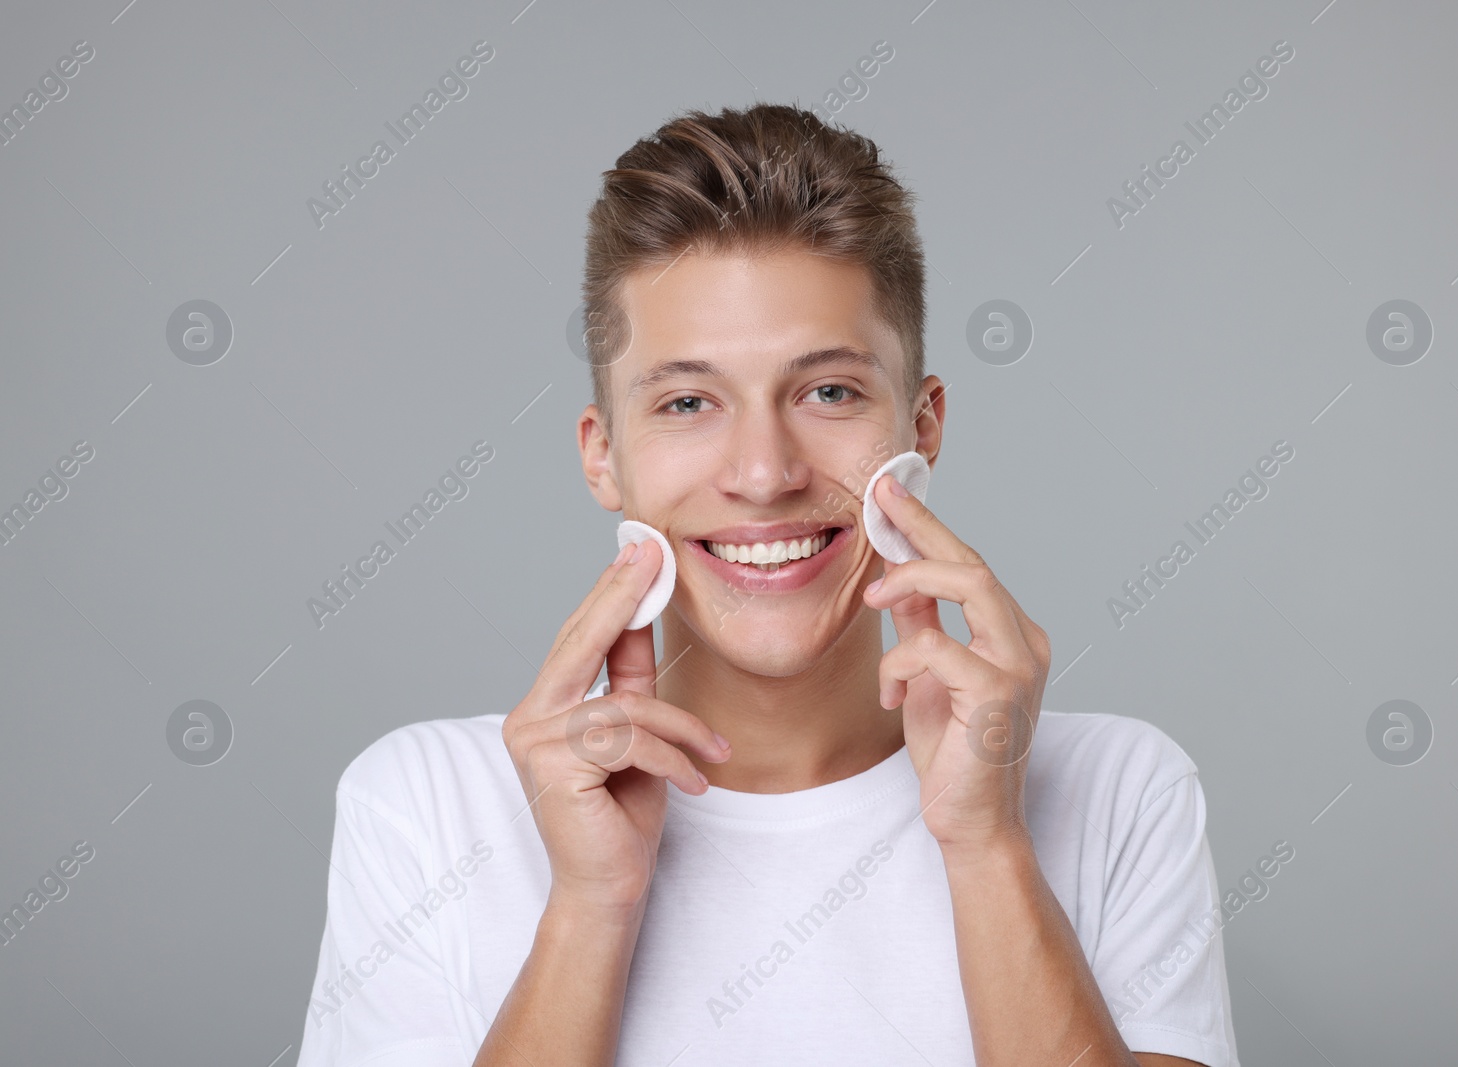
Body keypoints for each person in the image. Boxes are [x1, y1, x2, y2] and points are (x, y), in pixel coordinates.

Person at [298, 103, 1240, 1067]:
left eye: (829, 391)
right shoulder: (425, 806)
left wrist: (988, 847)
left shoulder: (1119, 790)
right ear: (603, 457)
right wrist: (589, 909)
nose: (763, 471)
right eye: (687, 402)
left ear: (922, 429)